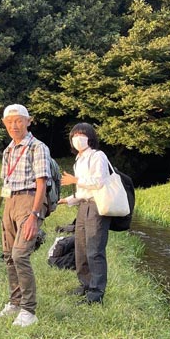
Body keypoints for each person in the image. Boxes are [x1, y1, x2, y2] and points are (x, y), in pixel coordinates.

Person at [0, 104, 51, 327]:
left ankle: (29, 310)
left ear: (29, 121)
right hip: (10, 201)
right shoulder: (8, 150)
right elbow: (5, 180)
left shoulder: (37, 147)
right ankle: (15, 302)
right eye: (9, 122)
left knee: (20, 254)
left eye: (18, 121)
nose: (14, 126)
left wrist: (34, 215)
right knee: (8, 254)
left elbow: (42, 184)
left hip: (29, 201)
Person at [59, 122, 111, 303]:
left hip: (97, 207)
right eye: (74, 135)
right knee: (80, 248)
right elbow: (82, 192)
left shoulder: (98, 156)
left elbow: (99, 181)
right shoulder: (78, 160)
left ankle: (96, 294)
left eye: (82, 135)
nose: (77, 139)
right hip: (84, 206)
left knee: (95, 250)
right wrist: (68, 200)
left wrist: (76, 179)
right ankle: (85, 285)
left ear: (90, 138)